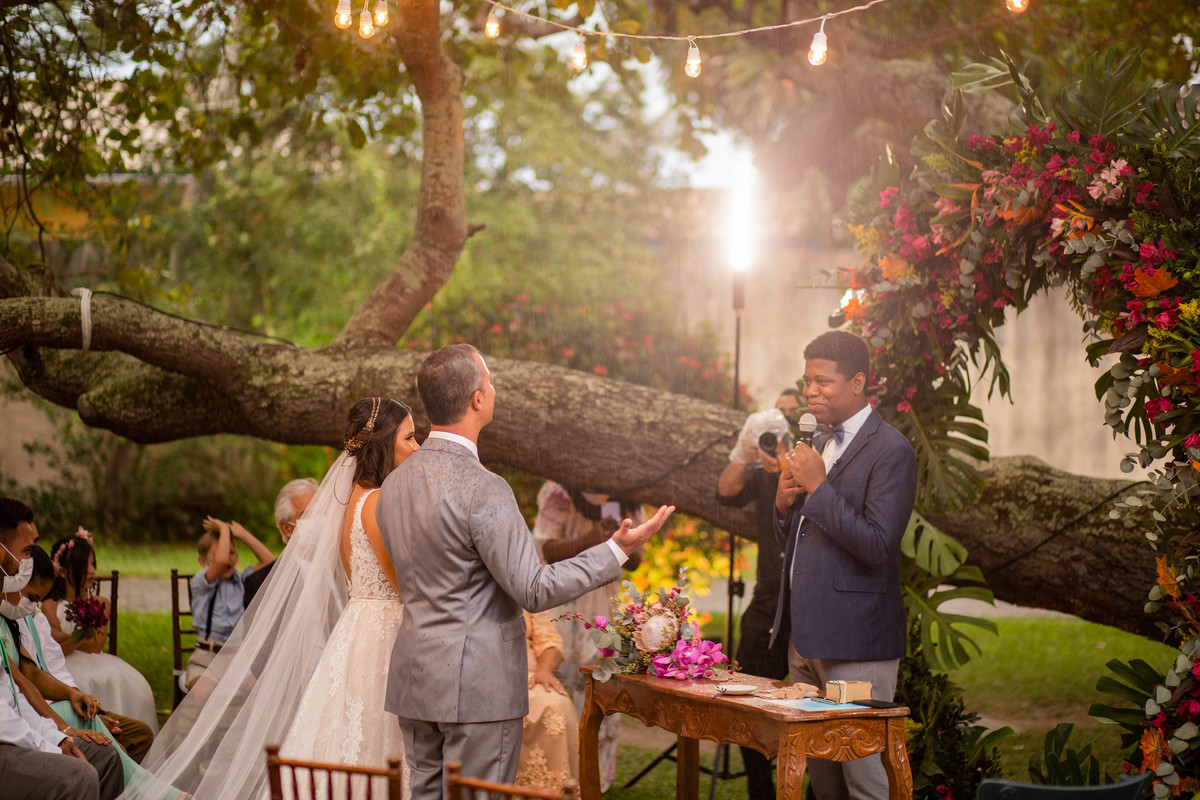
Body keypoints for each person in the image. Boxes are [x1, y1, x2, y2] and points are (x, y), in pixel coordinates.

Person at [378, 343, 674, 800]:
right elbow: (534, 589)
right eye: (490, 381)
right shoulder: (485, 488)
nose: (493, 390)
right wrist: (614, 550)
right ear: (477, 399)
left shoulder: (394, 484)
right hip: (477, 686)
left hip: (415, 677)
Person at [122, 398, 420, 799]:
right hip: (383, 635)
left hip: (358, 631)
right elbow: (403, 585)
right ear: (385, 443)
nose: (417, 447)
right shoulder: (377, 503)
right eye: (410, 437)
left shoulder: (350, 502)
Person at [770, 331, 917, 800]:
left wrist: (818, 488)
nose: (811, 391)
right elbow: (803, 538)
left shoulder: (891, 451)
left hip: (856, 643)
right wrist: (781, 507)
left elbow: (877, 545)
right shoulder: (815, 444)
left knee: (864, 782)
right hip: (806, 641)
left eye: (823, 382)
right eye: (807, 380)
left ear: (858, 383)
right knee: (825, 781)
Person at [0, 497, 126, 800]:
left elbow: (17, 690)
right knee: (79, 775)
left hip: (23, 728)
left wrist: (59, 735)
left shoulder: (14, 614)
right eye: (27, 552)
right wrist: (53, 742)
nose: (32, 562)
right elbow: (8, 712)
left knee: (106, 757)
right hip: (7, 741)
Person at [715, 387, 802, 800]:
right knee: (747, 692)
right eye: (775, 418)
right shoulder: (763, 471)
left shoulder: (816, 468)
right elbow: (726, 492)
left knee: (813, 700)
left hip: (808, 600)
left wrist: (788, 460)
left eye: (790, 417)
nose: (779, 430)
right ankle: (761, 791)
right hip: (768, 597)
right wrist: (744, 450)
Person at [531, 482, 643, 791]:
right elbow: (545, 550)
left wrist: (619, 540)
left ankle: (595, 783)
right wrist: (591, 541)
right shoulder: (557, 491)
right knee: (563, 684)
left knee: (602, 692)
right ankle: (560, 778)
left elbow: (635, 559)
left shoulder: (630, 493)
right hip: (564, 600)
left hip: (604, 605)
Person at [19, 545, 156, 768]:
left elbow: (57, 665)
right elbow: (32, 675)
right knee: (112, 748)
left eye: (94, 564)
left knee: (141, 733)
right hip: (48, 708)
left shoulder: (37, 618)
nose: (92, 570)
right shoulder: (42, 609)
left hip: (70, 691)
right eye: (33, 599)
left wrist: (89, 708)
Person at [43, 531, 160, 735]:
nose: (91, 571)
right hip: (63, 663)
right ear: (62, 571)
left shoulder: (100, 603)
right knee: (80, 683)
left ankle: (128, 737)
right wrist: (78, 635)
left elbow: (96, 645)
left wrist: (73, 639)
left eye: (93, 564)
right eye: (84, 565)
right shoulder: (50, 605)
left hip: (96, 660)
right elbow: (56, 645)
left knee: (136, 687)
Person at [183, 513, 274, 689]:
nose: (228, 557)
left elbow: (270, 563)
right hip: (206, 658)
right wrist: (224, 529)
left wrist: (242, 534)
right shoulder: (200, 582)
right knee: (205, 695)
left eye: (232, 553)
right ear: (202, 561)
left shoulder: (243, 580)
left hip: (238, 658)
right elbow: (221, 560)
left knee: (260, 690)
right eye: (221, 552)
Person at [514, 610, 578, 795]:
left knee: (556, 705)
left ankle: (557, 792)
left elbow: (550, 640)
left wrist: (544, 669)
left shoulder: (525, 588)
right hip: (483, 675)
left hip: (529, 675)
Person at [242, 478, 319, 608]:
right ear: (287, 528)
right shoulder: (262, 584)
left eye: (322, 512)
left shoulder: (348, 573)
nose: (319, 519)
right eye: (308, 515)